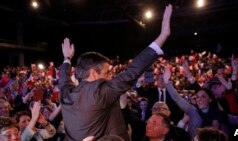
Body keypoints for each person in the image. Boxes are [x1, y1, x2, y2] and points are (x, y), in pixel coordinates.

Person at [58, 4, 173, 141]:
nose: (110, 77)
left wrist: (67, 58)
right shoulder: (99, 93)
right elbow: (132, 72)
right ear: (94, 73)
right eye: (107, 72)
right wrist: (162, 36)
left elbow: (63, 77)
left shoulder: (65, 93)